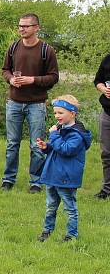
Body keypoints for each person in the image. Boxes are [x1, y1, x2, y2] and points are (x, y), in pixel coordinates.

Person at [0, 13, 59, 193]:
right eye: (20, 26)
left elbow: (54, 77)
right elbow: (5, 70)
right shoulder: (13, 47)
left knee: (36, 144)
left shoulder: (46, 50)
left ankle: (36, 182)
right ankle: (8, 179)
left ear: (36, 28)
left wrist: (32, 80)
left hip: (36, 104)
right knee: (12, 143)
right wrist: (10, 79)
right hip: (14, 102)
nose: (21, 29)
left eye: (25, 26)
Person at [35, 95, 92, 242]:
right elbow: (57, 148)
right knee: (50, 206)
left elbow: (66, 150)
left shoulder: (77, 134)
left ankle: (71, 235)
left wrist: (53, 135)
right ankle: (47, 231)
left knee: (69, 208)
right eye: (55, 112)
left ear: (72, 113)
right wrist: (46, 147)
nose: (56, 116)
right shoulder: (61, 129)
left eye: (60, 113)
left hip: (66, 177)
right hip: (53, 175)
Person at [93, 53, 110, 199]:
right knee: (106, 154)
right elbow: (98, 80)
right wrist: (103, 89)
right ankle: (106, 190)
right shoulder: (108, 58)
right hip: (107, 114)